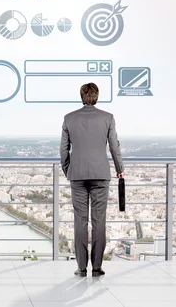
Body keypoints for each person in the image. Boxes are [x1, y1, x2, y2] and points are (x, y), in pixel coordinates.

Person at [60, 83, 124, 278]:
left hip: (77, 175)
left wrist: (68, 170)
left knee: (80, 221)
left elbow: (63, 151)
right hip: (100, 175)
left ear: (81, 96)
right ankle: (96, 268)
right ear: (97, 96)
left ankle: (81, 268)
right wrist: (120, 169)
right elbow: (114, 147)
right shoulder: (108, 118)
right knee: (99, 222)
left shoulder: (69, 118)